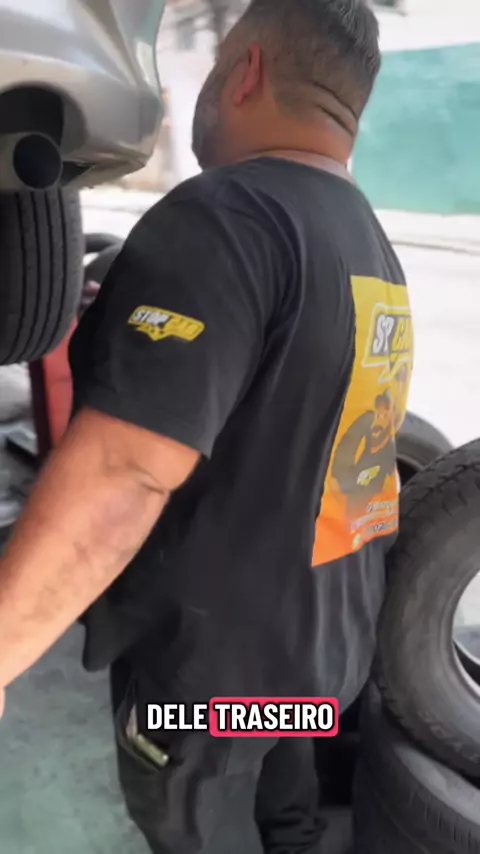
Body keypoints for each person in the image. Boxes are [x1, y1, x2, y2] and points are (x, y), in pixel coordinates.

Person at [0, 1, 414, 851]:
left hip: (210, 684)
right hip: (317, 663)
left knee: (198, 834)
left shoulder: (226, 216)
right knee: (288, 824)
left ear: (247, 71)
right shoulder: (369, 243)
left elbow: (127, 469)